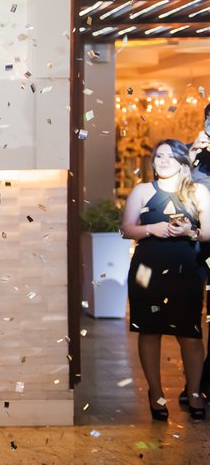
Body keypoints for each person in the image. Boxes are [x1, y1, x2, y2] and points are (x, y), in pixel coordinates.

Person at [122, 139, 210, 421]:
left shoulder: (198, 191)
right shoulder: (142, 191)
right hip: (147, 272)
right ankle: (156, 394)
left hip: (187, 271)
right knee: (149, 331)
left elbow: (208, 232)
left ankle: (194, 392)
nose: (163, 161)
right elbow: (126, 229)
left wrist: (189, 232)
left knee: (190, 333)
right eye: (159, 156)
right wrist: (152, 229)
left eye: (170, 157)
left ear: (183, 161)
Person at [188, 102, 210, 402]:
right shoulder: (193, 155)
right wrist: (192, 155)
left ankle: (203, 382)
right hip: (196, 245)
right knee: (194, 313)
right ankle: (196, 382)